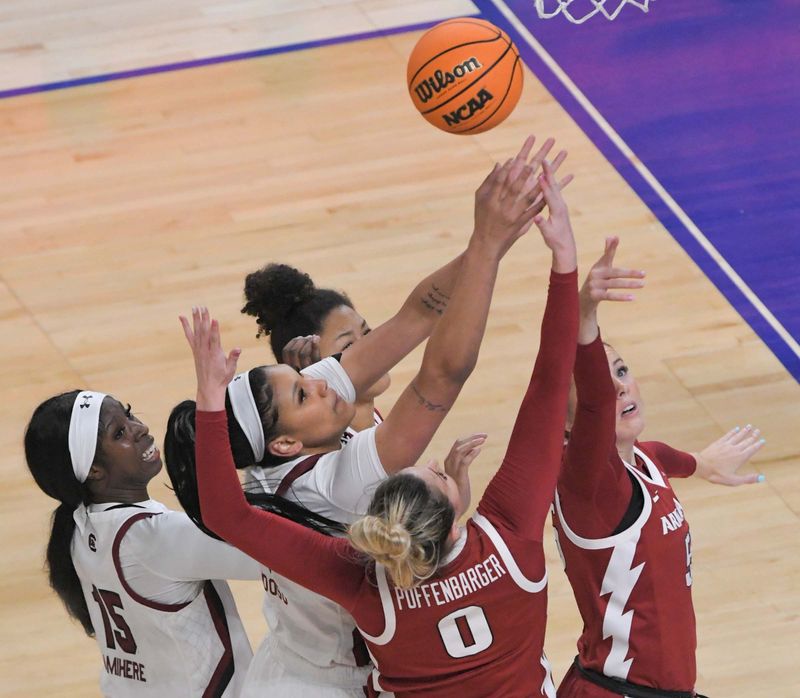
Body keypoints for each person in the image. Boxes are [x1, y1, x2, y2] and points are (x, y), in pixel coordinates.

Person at [166, 137, 570, 696]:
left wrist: (488, 246)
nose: (325, 381)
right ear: (284, 445)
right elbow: (441, 378)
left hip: (294, 663)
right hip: (332, 684)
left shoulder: (290, 435)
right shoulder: (333, 483)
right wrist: (487, 240)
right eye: (304, 393)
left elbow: (415, 315)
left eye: (304, 377)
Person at [552, 237, 766, 698]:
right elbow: (594, 400)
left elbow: (656, 453)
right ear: (570, 419)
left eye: (623, 371)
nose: (620, 389)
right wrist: (584, 311)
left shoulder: (637, 461)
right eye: (602, 385)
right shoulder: (589, 484)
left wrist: (701, 464)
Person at [24, 390, 262, 697]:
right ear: (93, 471)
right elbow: (274, 554)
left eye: (130, 414)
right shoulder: (153, 539)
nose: (140, 428)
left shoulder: (77, 527)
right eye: (119, 432)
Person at [241, 262, 391, 436]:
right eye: (348, 345)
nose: (370, 348)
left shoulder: (371, 416)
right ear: (311, 369)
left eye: (367, 333)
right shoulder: (333, 451)